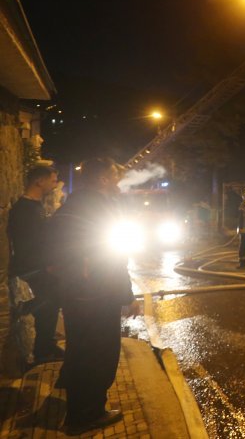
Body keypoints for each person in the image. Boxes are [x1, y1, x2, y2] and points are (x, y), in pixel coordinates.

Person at [49, 158, 141, 435]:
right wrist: (127, 296)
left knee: (79, 350)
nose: (117, 183)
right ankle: (87, 415)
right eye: (114, 177)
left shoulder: (70, 206)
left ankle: (80, 407)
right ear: (102, 180)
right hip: (97, 295)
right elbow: (114, 258)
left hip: (74, 293)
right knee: (99, 355)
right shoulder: (102, 210)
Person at [7, 164, 62, 365]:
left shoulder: (36, 205)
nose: (55, 185)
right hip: (32, 266)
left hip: (40, 265)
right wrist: (47, 266)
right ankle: (41, 349)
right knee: (52, 298)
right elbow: (26, 244)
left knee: (51, 303)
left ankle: (45, 347)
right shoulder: (24, 209)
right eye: (53, 180)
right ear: (40, 181)